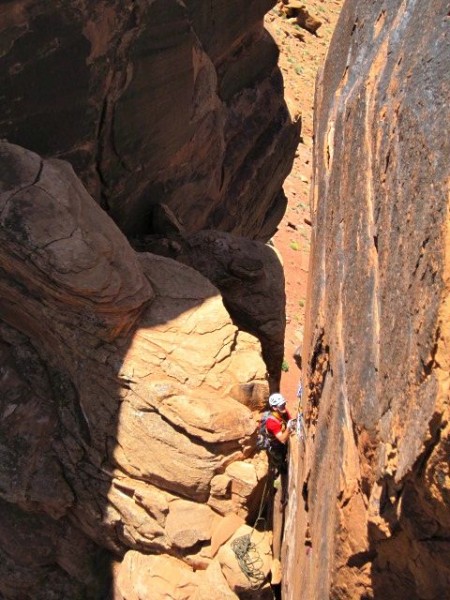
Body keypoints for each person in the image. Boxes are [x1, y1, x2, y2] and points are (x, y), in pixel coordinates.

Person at [265, 393, 295, 473]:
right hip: (275, 446)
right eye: (281, 405)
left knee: (284, 452)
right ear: (274, 408)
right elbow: (282, 440)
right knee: (279, 458)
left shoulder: (283, 412)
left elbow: (289, 420)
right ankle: (279, 468)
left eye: (284, 404)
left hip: (281, 439)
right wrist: (288, 428)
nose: (284, 406)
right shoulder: (271, 422)